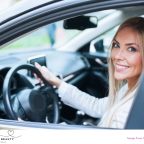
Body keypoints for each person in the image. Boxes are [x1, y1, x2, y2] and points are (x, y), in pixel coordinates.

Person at [35, 17, 144, 129]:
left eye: (131, 49)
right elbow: (97, 106)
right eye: (116, 45)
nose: (117, 56)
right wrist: (57, 83)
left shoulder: (132, 108)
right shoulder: (133, 88)